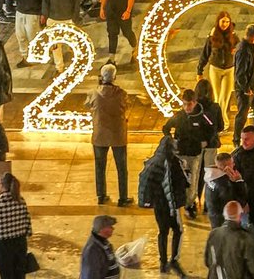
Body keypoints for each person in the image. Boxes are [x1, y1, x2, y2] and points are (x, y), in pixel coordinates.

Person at [137, 136, 188, 276]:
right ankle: (174, 260)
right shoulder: (173, 163)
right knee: (177, 230)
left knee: (163, 232)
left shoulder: (153, 161)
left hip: (159, 205)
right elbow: (183, 182)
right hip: (171, 205)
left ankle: (163, 262)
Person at [163, 87, 214, 218]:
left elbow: (211, 129)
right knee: (180, 179)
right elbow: (166, 128)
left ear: (195, 102)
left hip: (194, 154)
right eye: (184, 104)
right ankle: (179, 202)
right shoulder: (179, 116)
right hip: (180, 153)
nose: (187, 107)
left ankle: (190, 204)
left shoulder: (202, 116)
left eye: (189, 104)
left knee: (193, 181)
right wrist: (172, 141)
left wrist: (205, 142)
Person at [88, 63, 132, 207]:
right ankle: (123, 197)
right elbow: (126, 106)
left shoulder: (94, 93)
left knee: (100, 167)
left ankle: (101, 195)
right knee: (121, 167)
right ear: (114, 78)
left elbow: (87, 105)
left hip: (99, 135)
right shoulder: (122, 94)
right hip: (118, 134)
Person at [0, 171, 33, 279]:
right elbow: (27, 219)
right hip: (20, 242)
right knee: (19, 273)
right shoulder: (20, 200)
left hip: (4, 244)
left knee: (6, 273)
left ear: (1, 185)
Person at [204, 198, 254, 279]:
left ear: (224, 215)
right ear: (240, 215)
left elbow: (207, 261)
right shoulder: (246, 238)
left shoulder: (213, 234)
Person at [198, 12, 238, 124]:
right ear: (218, 21)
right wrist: (199, 71)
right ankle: (218, 121)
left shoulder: (233, 36)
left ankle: (222, 121)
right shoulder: (213, 36)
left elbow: (239, 49)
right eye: (223, 21)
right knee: (216, 96)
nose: (225, 24)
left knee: (224, 98)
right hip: (215, 69)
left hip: (229, 69)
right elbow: (205, 54)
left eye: (227, 21)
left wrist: (235, 51)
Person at [40, 0, 80, 72]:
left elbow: (77, 2)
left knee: (73, 44)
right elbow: (45, 0)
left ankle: (76, 65)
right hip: (53, 19)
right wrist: (44, 14)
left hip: (68, 20)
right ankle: (60, 68)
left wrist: (74, 18)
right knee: (55, 46)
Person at [233, 25, 254, 144]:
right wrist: (245, 88)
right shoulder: (244, 50)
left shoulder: (249, 47)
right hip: (246, 89)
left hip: (252, 87)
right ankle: (236, 139)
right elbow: (240, 72)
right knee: (242, 115)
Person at [204, 154, 249, 230]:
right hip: (226, 222)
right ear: (227, 166)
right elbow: (236, 204)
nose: (234, 165)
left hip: (215, 218)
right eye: (232, 163)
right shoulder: (224, 183)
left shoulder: (211, 176)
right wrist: (239, 182)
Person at [11, 0, 43, 67]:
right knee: (20, 35)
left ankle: (36, 56)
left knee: (32, 36)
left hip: (32, 13)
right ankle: (25, 57)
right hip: (20, 11)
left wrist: (43, 13)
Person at [79, 212, 121, 279]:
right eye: (110, 227)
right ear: (102, 229)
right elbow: (90, 274)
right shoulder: (92, 250)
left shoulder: (103, 241)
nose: (113, 229)